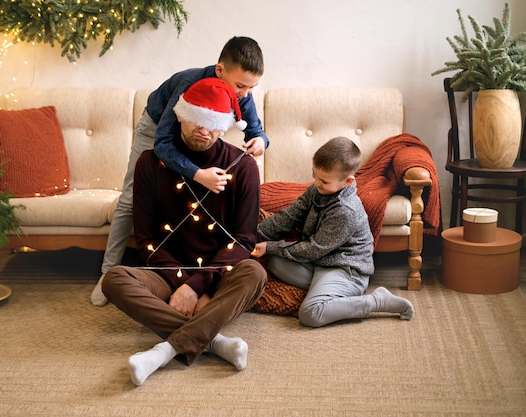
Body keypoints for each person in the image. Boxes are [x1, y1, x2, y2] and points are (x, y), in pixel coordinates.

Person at [102, 78, 267, 386]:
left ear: (225, 125)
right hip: (168, 273)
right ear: (179, 115)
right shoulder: (150, 163)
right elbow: (147, 240)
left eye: (213, 123)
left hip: (222, 273)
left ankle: (165, 350)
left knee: (255, 274)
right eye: (196, 120)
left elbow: (244, 240)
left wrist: (199, 285)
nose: (203, 130)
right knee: (114, 279)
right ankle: (214, 340)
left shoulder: (243, 167)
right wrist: (186, 285)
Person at [91, 36, 269, 306]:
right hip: (158, 128)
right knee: (128, 198)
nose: (245, 93)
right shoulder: (188, 84)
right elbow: (163, 144)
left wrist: (260, 141)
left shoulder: (242, 93)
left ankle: (200, 278)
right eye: (241, 85)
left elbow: (257, 130)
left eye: (251, 87)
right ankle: (106, 274)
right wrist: (198, 174)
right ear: (220, 70)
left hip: (196, 136)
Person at [252, 136, 414, 327]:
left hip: (344, 269)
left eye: (324, 181)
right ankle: (325, 292)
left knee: (311, 313)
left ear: (347, 181)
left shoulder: (346, 211)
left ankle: (375, 300)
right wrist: (253, 235)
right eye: (314, 175)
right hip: (318, 262)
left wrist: (270, 246)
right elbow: (288, 217)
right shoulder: (316, 190)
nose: (316, 183)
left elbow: (313, 248)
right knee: (275, 262)